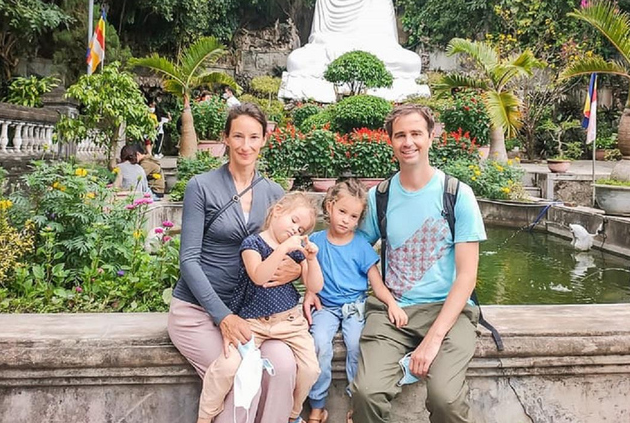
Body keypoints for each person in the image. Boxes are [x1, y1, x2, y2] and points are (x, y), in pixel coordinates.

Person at [348, 104, 486, 423]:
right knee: (366, 393)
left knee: (445, 399)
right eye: (400, 135)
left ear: (431, 137)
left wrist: (433, 339)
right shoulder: (379, 196)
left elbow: (467, 277)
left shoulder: (457, 194)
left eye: (416, 134)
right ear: (390, 141)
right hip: (392, 312)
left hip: (448, 311)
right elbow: (354, 250)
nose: (408, 142)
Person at [167, 103, 303, 423]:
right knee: (244, 374)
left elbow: (287, 249)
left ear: (264, 140)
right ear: (225, 138)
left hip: (250, 314)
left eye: (254, 137)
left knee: (284, 367)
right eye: (238, 136)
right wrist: (223, 316)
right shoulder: (201, 186)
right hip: (198, 311)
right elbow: (188, 260)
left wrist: (297, 269)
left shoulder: (273, 193)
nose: (246, 145)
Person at [196, 192, 323, 423]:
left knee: (311, 369)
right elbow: (259, 276)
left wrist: (312, 260)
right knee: (227, 366)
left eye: (301, 229)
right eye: (294, 221)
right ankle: (205, 416)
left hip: (289, 322)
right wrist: (282, 249)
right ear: (277, 211)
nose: (295, 230)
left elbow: (315, 286)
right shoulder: (252, 244)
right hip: (253, 323)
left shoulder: (296, 253)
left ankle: (293, 415)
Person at [304, 179, 408, 423]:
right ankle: (317, 404)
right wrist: (309, 292)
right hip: (325, 306)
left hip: (355, 307)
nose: (346, 220)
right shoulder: (315, 242)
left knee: (356, 344)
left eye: (353, 216)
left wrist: (392, 304)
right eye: (342, 212)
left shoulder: (361, 246)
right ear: (329, 206)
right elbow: (305, 273)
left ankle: (356, 402)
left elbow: (377, 284)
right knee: (319, 343)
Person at [280, 0, 428, 103]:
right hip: (332, 52)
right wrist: (333, 46)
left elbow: (388, 39)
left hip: (373, 52)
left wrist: (366, 47)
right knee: (296, 61)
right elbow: (317, 36)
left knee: (411, 63)